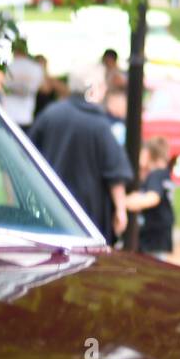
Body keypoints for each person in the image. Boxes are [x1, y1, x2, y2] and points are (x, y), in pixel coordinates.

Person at [29, 63, 133, 244]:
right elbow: (115, 173)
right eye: (101, 85)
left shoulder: (50, 114)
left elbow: (26, 158)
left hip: (50, 211)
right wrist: (121, 210)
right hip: (88, 219)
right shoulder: (99, 125)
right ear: (93, 88)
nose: (104, 90)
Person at [123, 137, 175, 258]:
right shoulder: (164, 174)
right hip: (161, 235)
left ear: (148, 154)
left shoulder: (155, 174)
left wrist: (125, 202)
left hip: (153, 236)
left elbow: (153, 198)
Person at [0, 39, 44, 131]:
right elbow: (43, 88)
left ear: (14, 50)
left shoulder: (7, 67)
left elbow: (0, 86)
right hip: (26, 117)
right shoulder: (37, 69)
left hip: (6, 115)